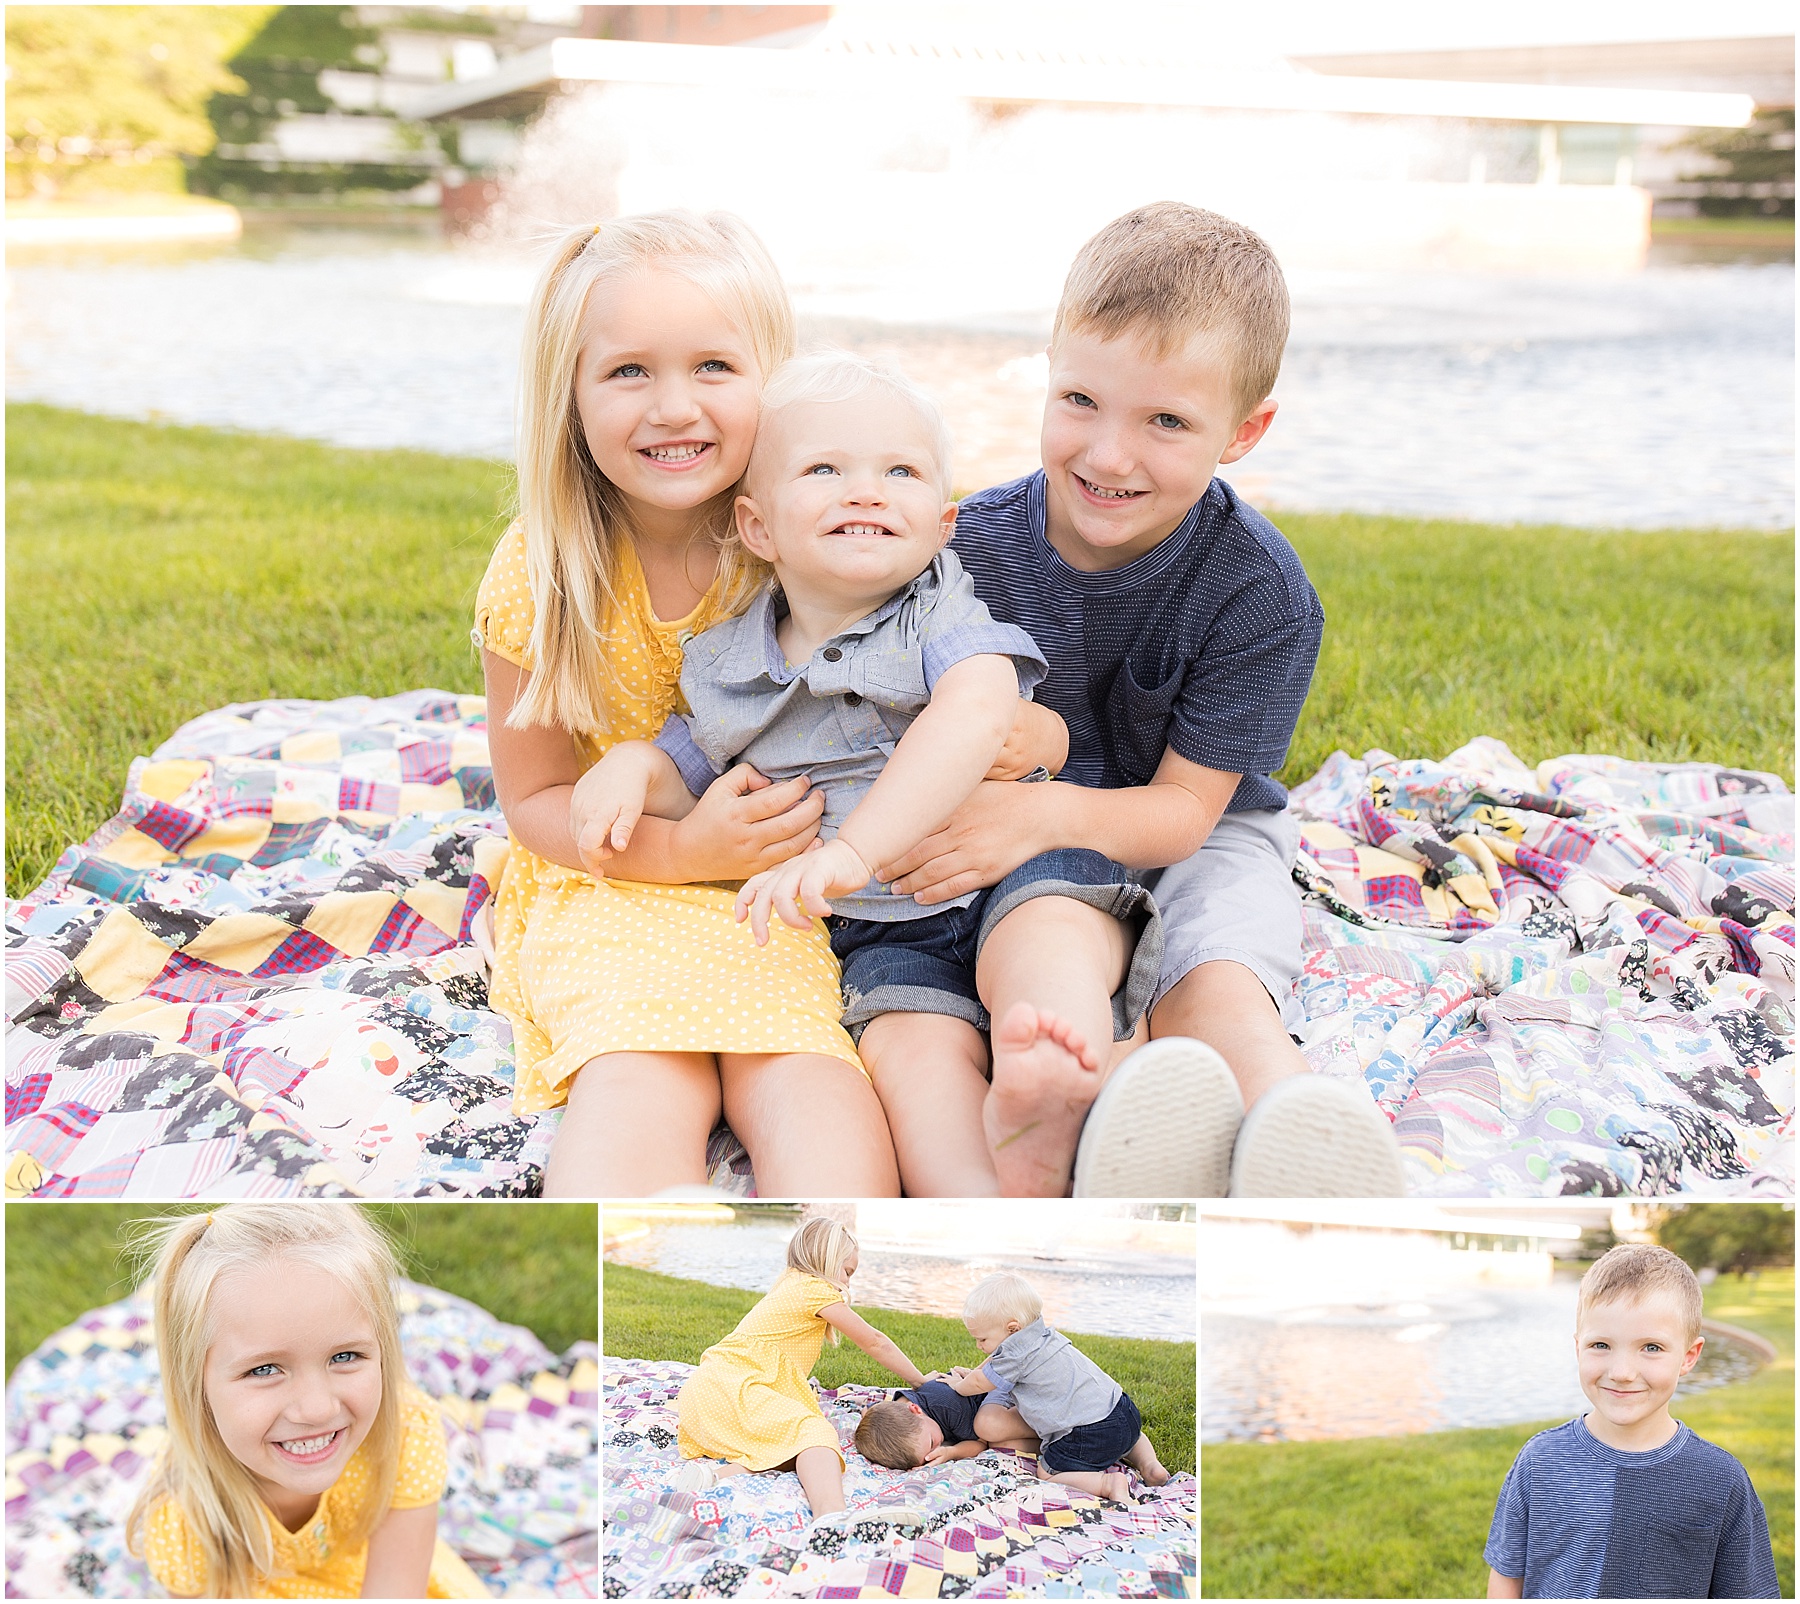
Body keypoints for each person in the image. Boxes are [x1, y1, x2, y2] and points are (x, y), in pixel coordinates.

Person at [881, 201, 1407, 1196]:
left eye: (1166, 421)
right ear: (1044, 372)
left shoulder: (1261, 591)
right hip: (1028, 843)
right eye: (1080, 399)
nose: (1109, 455)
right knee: (1049, 955)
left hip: (1200, 830)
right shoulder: (961, 553)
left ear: (1245, 431)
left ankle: (1297, 1131)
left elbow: (1185, 813)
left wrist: (1037, 808)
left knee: (1221, 978)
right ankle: (1122, 1103)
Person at [575, 351, 1160, 1198]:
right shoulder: (728, 664)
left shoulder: (939, 613)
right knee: (913, 1059)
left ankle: (1058, 1065)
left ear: (943, 524)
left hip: (1013, 869)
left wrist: (852, 852)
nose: (867, 490)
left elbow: (976, 709)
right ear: (757, 527)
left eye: (901, 472)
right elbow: (692, 770)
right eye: (825, 470)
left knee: (1046, 953)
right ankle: (990, 1187)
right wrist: (633, 769)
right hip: (881, 935)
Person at [474, 210, 899, 1197]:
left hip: (781, 890)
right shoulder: (541, 575)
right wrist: (685, 853)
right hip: (616, 880)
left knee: (804, 1070)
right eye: (629, 372)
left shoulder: (806, 541)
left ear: (772, 380)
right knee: (638, 1071)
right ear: (569, 395)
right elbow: (536, 800)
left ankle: (834, 1272)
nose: (675, 407)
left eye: (714, 365)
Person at [125, 1204, 485, 1599]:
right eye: (264, 1370)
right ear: (196, 1384)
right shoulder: (184, 1517)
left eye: (344, 1357)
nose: (317, 1409)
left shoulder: (403, 1431)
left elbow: (396, 1591)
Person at [1484, 1244, 1778, 1600]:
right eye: (1601, 1345)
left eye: (1651, 1347)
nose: (1622, 1373)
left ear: (1688, 1357)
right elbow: (1507, 1576)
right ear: (1578, 1348)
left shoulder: (1720, 1479)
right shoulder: (1540, 1460)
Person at [674, 1217, 931, 1533]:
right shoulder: (815, 1289)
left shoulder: (788, 1282)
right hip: (734, 1388)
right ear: (826, 1259)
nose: (848, 1283)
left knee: (795, 1450)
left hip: (703, 1395)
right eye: (847, 1272)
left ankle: (713, 1478)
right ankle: (831, 1516)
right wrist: (921, 1381)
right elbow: (875, 1342)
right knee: (816, 1433)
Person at [940, 1272, 1171, 1504]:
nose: (979, 1346)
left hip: (1087, 1433)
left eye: (982, 1339)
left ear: (1012, 1329)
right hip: (1124, 1411)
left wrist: (958, 1385)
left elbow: (980, 1383)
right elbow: (993, 1363)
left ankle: (1107, 1483)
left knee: (1048, 1472)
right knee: (1128, 1437)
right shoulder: (1044, 1334)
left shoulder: (1016, 1354)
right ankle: (1151, 1466)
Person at [853, 1380, 1039, 1470]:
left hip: (1005, 1396)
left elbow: (980, 1444)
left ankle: (1049, 1434)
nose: (938, 1447)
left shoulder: (952, 1409)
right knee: (1006, 1446)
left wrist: (952, 1452)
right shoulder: (895, 1411)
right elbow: (872, 1415)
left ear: (916, 1410)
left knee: (996, 1439)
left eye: (933, 1442)